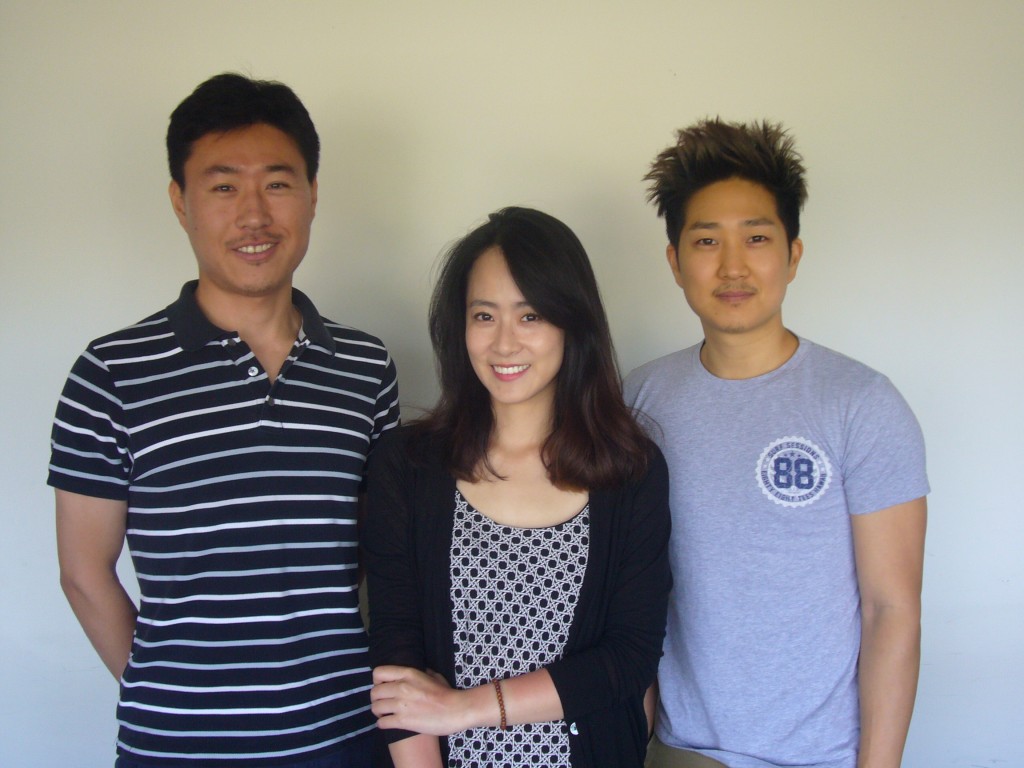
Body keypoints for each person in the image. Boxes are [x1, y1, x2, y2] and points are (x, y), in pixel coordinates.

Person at [48, 73, 400, 767]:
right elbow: (85, 573)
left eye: (276, 183)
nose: (254, 216)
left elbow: (377, 556)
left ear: (312, 194)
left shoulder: (365, 368)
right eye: (222, 186)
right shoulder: (112, 373)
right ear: (181, 202)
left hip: (346, 741)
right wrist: (172, 697)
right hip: (177, 749)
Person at [625, 119, 929, 768]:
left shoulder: (861, 404)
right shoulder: (640, 401)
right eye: (706, 241)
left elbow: (891, 610)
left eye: (756, 238)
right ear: (676, 261)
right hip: (682, 752)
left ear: (792, 252)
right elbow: (628, 588)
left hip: (822, 756)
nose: (732, 266)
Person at [363, 207, 671, 768]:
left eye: (530, 316)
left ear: (572, 324)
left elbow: (628, 658)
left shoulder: (631, 471)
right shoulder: (406, 467)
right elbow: (396, 649)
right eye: (484, 315)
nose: (505, 343)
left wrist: (464, 709)